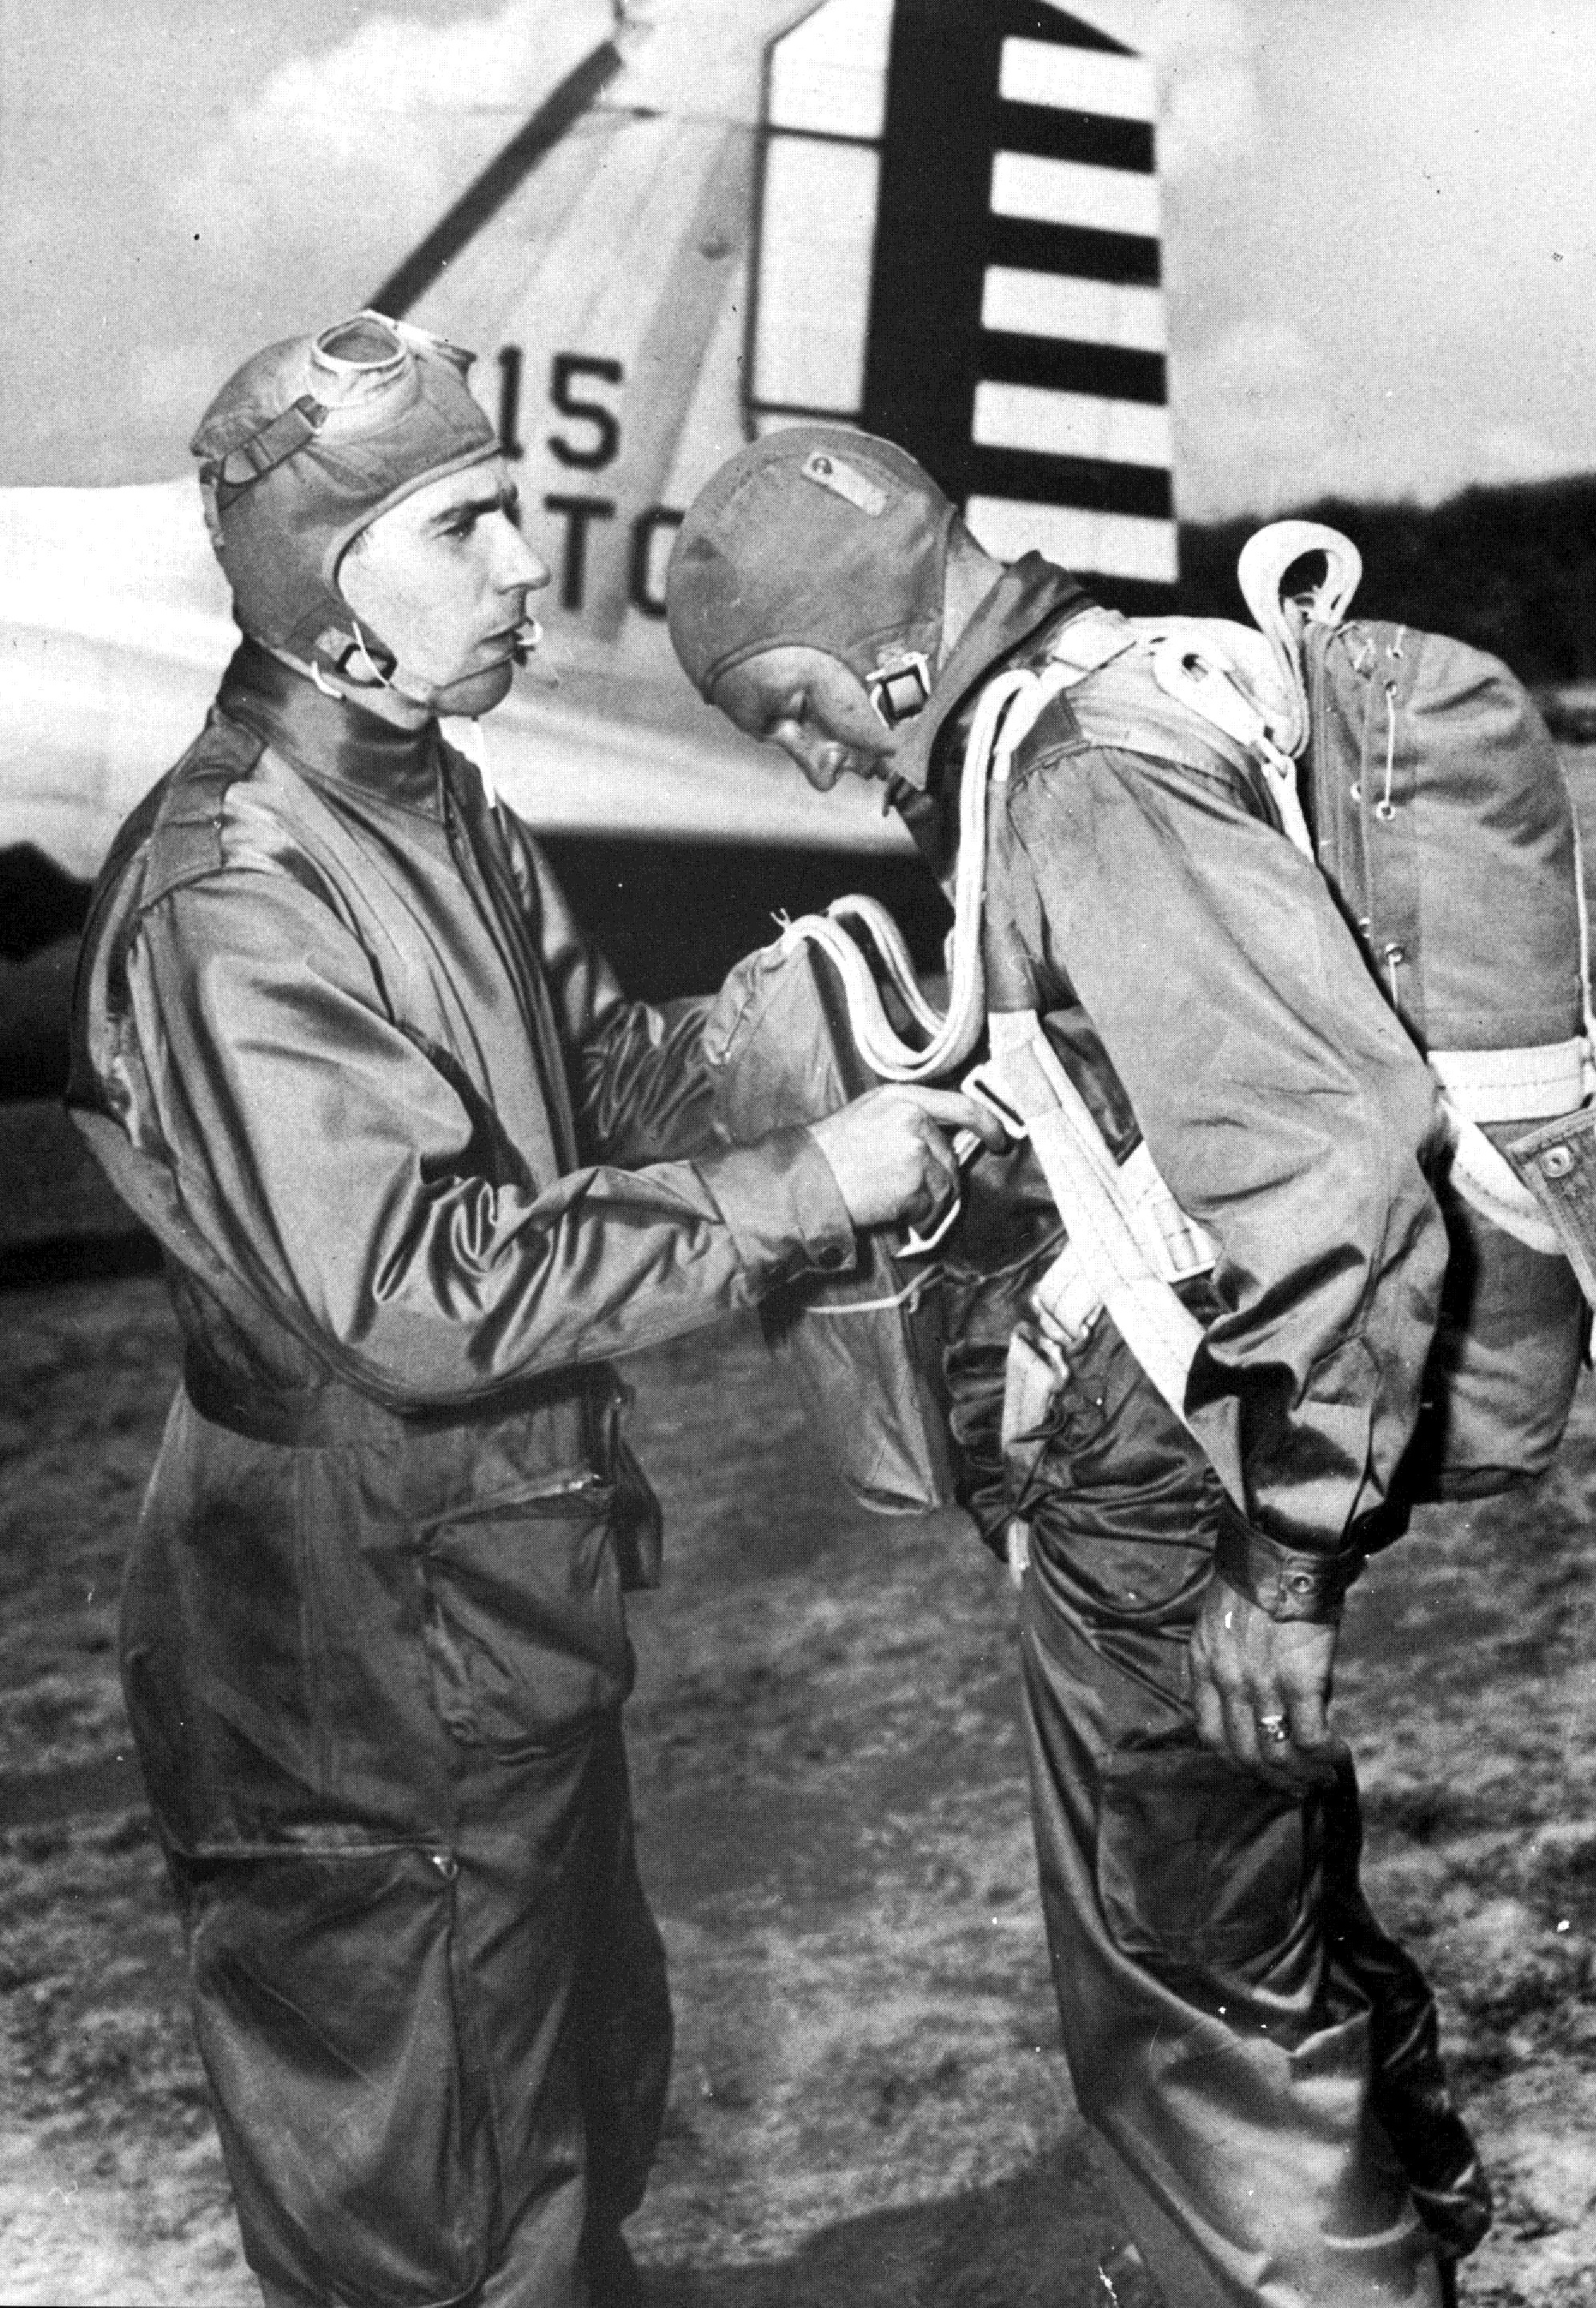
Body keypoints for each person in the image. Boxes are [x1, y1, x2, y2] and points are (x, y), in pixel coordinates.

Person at [65, 319, 999, 2308]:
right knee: (446, 2203)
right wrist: (801, 1188)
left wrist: (833, 1047)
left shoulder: (437, 800)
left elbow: (608, 1080)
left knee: (568, 2096)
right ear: (331, 594)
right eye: (463, 526)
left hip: (486, 1603)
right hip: (346, 1640)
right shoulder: (236, 889)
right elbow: (413, 1289)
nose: (522, 567)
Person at [666, 427, 1493, 2308]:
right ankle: (1415, 2230)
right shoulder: (1090, 703)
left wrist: (1284, 1561)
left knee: (1196, 2012)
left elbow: (1339, 1163)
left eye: (796, 710)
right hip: (1197, 1452)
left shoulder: (1083, 775)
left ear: (883, 643)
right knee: (1255, 1929)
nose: (811, 763)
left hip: (1177, 1489)